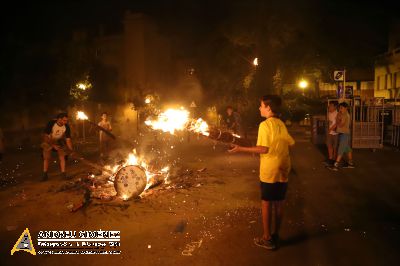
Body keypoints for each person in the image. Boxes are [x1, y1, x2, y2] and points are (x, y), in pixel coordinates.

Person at [229, 95, 295, 250]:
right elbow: (291, 142)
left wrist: (241, 149)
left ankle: (266, 238)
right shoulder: (281, 124)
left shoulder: (265, 125)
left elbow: (263, 149)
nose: (259, 108)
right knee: (279, 203)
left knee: (266, 203)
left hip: (270, 170)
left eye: (261, 105)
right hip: (283, 169)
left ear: (269, 108)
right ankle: (276, 235)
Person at [41, 113, 73, 181]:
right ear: (59, 119)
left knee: (62, 156)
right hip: (48, 141)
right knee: (47, 158)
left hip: (58, 141)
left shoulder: (66, 126)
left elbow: (68, 139)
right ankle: (45, 174)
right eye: (64, 120)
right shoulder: (51, 123)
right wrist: (53, 145)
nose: (66, 122)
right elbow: (45, 136)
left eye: (66, 120)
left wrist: (71, 150)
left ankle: (63, 174)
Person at [327, 102, 355, 171]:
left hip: (344, 135)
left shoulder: (345, 115)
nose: (340, 109)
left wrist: (337, 120)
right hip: (343, 134)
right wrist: (338, 118)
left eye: (341, 108)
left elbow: (340, 124)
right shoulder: (342, 114)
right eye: (340, 108)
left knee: (341, 150)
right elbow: (339, 121)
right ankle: (350, 163)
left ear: (346, 108)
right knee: (347, 149)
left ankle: (335, 165)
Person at [325, 101, 339, 166]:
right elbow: (328, 122)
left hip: (335, 133)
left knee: (335, 146)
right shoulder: (329, 113)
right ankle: (330, 158)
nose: (329, 107)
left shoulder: (338, 114)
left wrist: (330, 129)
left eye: (331, 106)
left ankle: (334, 159)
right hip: (329, 132)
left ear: (335, 107)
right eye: (329, 105)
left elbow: (337, 123)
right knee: (329, 145)